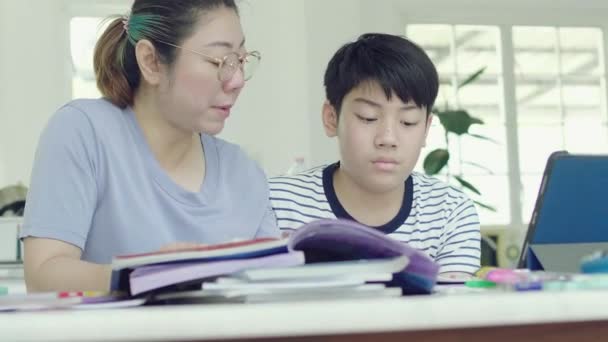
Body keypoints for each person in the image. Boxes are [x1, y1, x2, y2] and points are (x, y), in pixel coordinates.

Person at [21, 0, 279, 293]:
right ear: (151, 61)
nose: (236, 81)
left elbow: (270, 288)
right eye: (220, 61)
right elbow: (43, 275)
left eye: (241, 60)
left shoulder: (244, 173)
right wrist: (146, 275)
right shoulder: (83, 131)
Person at [269, 33, 481, 275]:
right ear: (331, 118)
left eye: (408, 122)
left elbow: (454, 311)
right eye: (368, 117)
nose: (388, 139)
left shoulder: (449, 213)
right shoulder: (279, 204)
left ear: (425, 129)